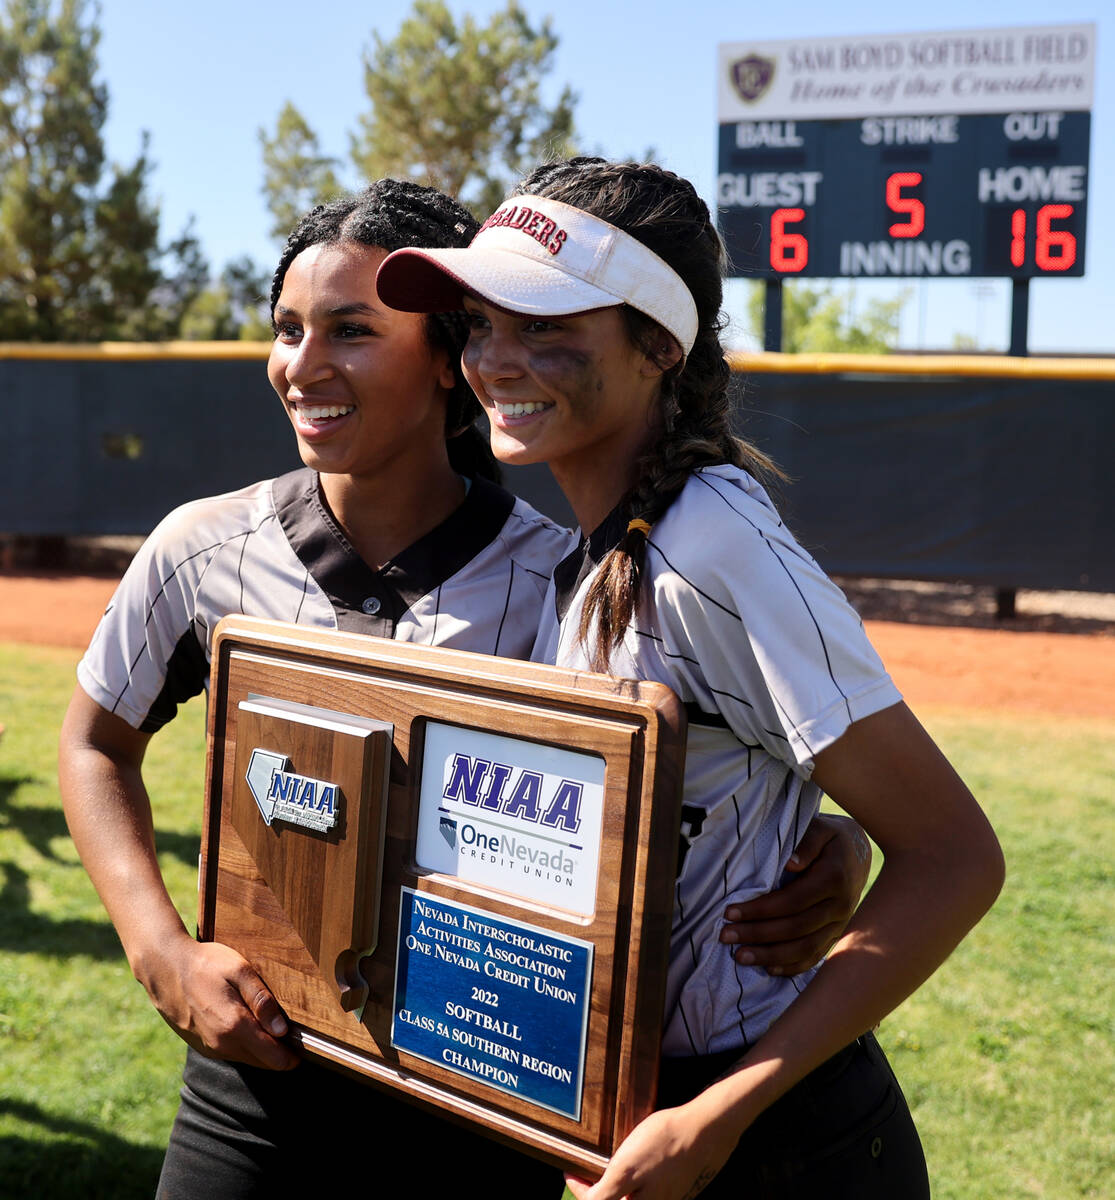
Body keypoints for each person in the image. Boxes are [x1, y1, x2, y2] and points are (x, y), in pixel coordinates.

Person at [59, 177, 868, 1197]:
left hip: (477, 1085)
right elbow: (94, 744)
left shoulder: (571, 578)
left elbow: (703, 775)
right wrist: (161, 952)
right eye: (286, 329)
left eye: (351, 331)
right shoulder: (203, 548)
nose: (303, 366)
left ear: (444, 359)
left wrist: (839, 840)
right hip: (256, 1075)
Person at [378, 156, 1006, 1199]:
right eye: (481, 322)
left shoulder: (711, 541)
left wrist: (712, 1121)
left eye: (544, 325)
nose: (495, 357)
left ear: (658, 345)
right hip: (638, 1104)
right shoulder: (594, 540)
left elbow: (954, 857)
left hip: (769, 1140)